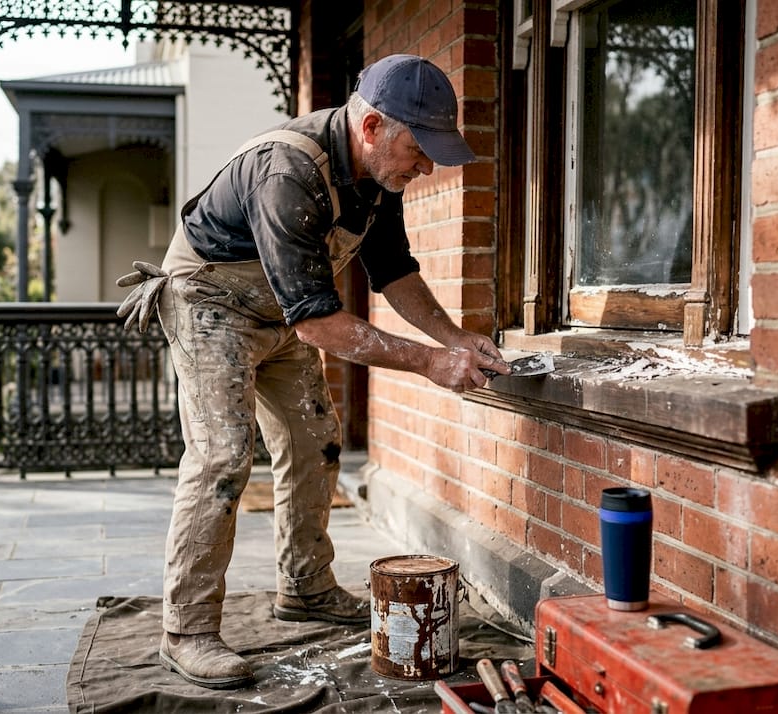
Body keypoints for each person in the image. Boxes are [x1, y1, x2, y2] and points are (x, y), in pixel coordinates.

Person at [115, 53, 511, 689]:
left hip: (285, 312)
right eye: (419, 147)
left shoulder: (378, 179)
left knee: (315, 440)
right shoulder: (289, 170)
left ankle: (305, 588)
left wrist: (455, 337)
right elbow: (321, 324)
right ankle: (185, 630)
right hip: (211, 304)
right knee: (222, 457)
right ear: (374, 125)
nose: (427, 166)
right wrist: (431, 364)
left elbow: (394, 274)